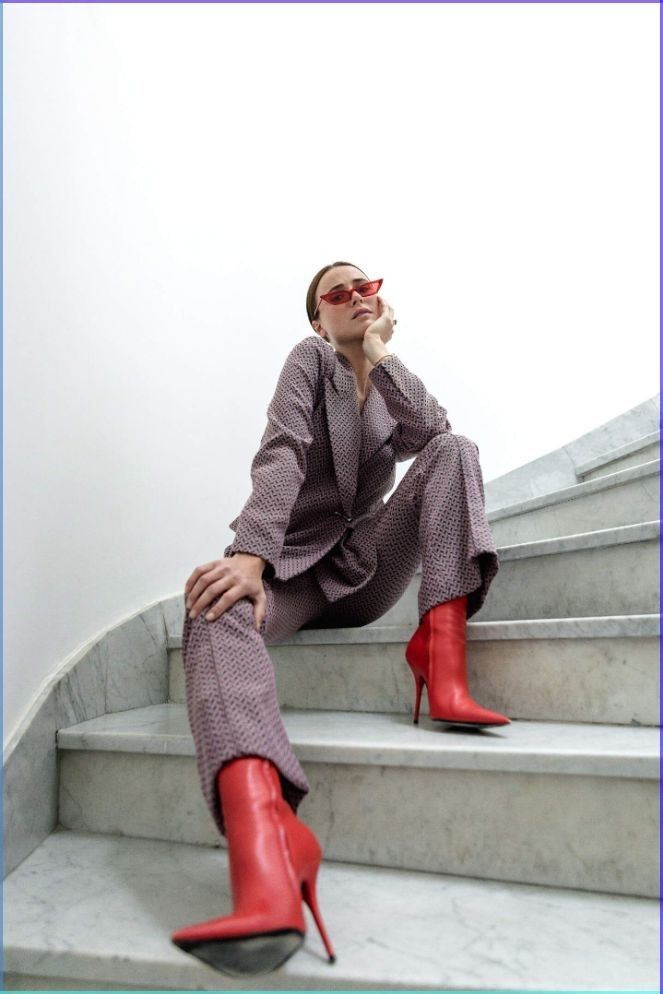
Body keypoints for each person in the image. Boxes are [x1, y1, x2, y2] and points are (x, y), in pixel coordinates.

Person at [170, 261, 509, 977]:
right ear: (315, 318)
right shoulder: (307, 362)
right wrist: (253, 557)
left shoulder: (387, 384)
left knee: (456, 448)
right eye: (338, 292)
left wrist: (381, 354)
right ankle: (269, 853)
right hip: (292, 569)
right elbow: (283, 454)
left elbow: (433, 434)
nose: (357, 296)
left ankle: (440, 661)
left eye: (367, 286)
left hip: (363, 570)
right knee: (212, 609)